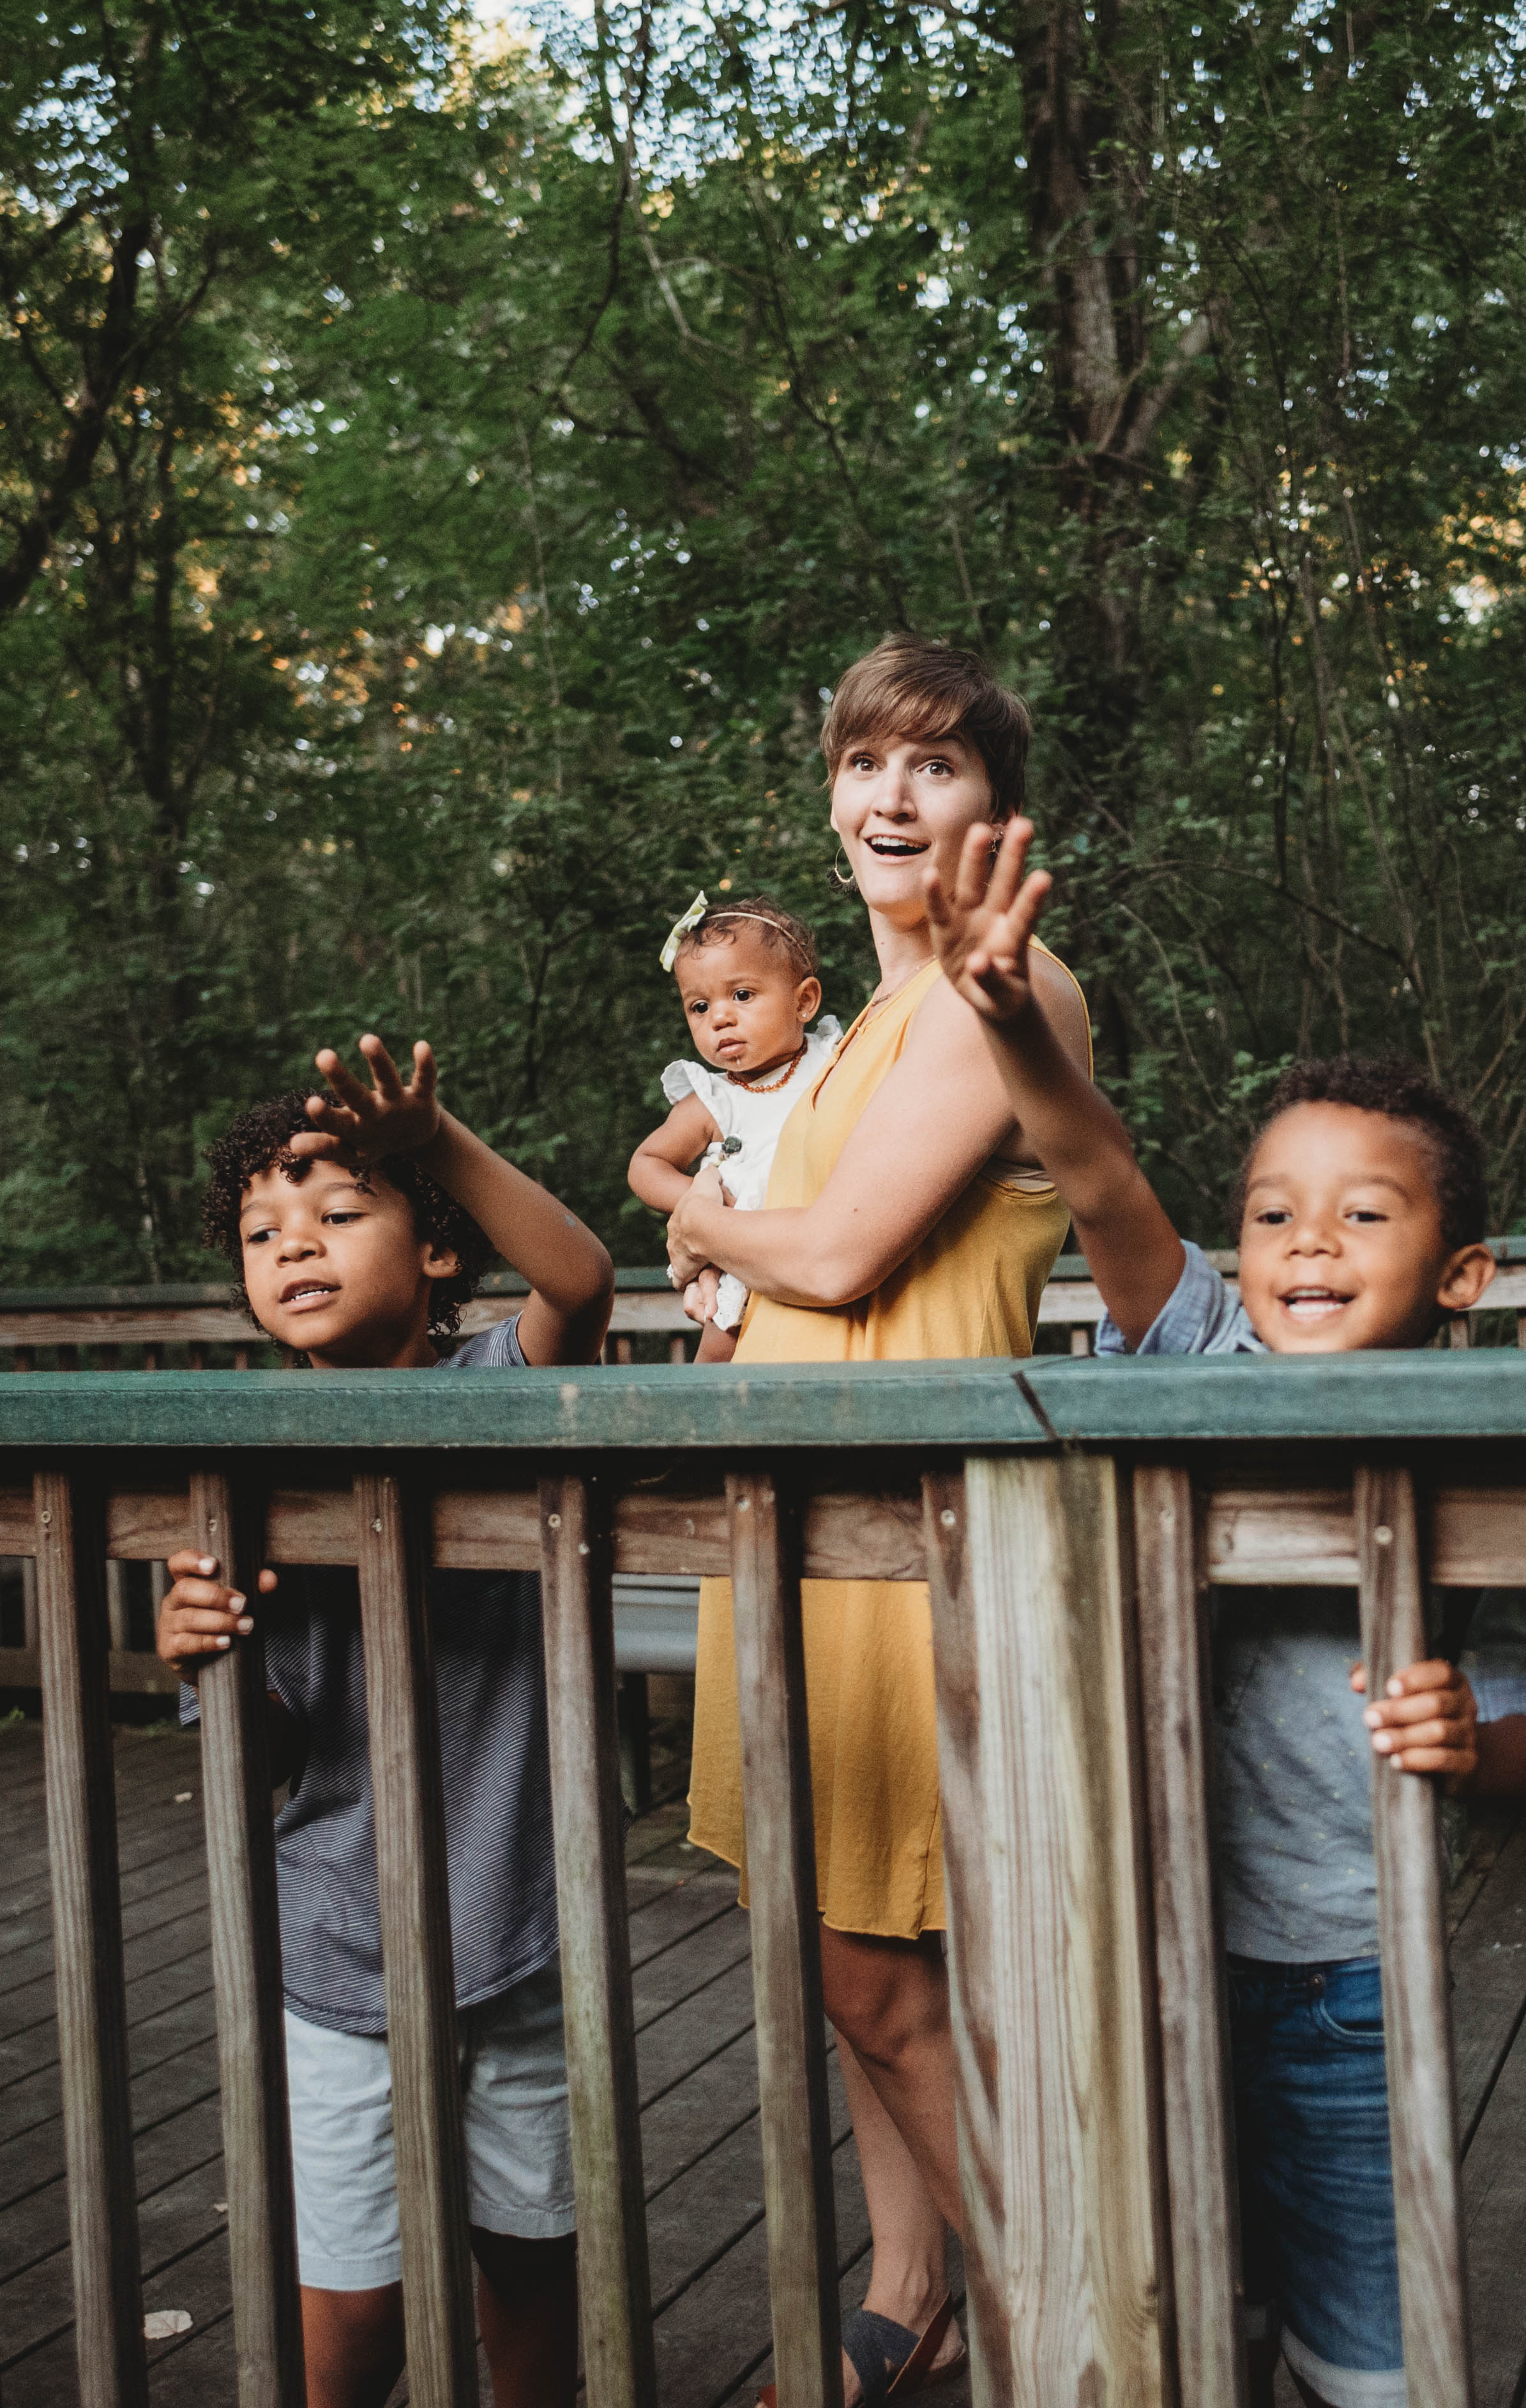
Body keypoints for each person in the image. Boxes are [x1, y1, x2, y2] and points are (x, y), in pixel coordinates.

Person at [925, 814, 1526, 2408]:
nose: (1306, 1239)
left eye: (1362, 1214)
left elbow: (1523, 1716)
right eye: (1270, 1212)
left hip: (1350, 1978)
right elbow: (1100, 1177)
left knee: (1373, 2350)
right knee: (1175, 2317)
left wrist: (1472, 1741)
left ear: (1461, 1272)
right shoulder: (1201, 1349)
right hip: (1147, 1952)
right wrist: (1008, 1022)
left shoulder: (1480, 1458)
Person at [664, 634, 1092, 2405]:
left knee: (879, 1964)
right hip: (798, 1536)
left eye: (935, 763)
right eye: (864, 762)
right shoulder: (854, 1035)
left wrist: (702, 1228)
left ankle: (1073, 2311)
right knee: (851, 1948)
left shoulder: (1007, 988)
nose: (892, 795)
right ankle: (909, 2292)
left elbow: (837, 1256)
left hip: (911, 1548)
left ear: (996, 805)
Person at [155, 1034, 614, 2408]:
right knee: (351, 2315)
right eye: (262, 1232)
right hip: (337, 1949)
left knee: (530, 2274)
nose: (295, 1243)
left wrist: (434, 1139)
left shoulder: (501, 1388)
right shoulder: (244, 1470)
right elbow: (266, 1759)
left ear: (436, 1248)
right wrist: (207, 1650)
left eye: (342, 1211)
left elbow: (581, 1278)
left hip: (519, 1926)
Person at [628, 891, 841, 1360]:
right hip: (746, 1259)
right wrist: (702, 1198)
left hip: (827, 1243)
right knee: (721, 1351)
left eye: (742, 995)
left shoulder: (834, 1061)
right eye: (699, 1007)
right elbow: (646, 1164)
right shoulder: (713, 1101)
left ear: (804, 1001)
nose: (720, 1018)